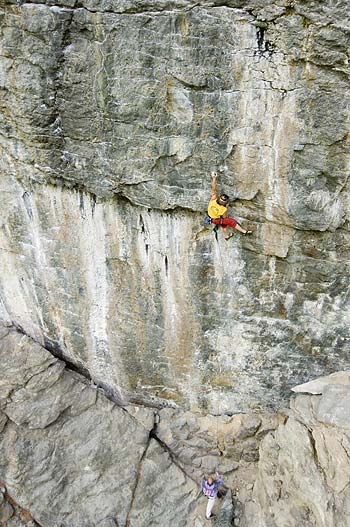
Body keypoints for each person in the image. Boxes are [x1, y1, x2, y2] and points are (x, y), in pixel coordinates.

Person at [208, 171, 252, 240]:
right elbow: (225, 217)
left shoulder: (213, 200)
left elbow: (214, 189)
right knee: (231, 221)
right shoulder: (223, 209)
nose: (222, 200)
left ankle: (226, 236)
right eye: (222, 199)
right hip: (215, 220)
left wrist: (214, 178)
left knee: (223, 222)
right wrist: (226, 207)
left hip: (210, 217)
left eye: (222, 199)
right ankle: (243, 231)